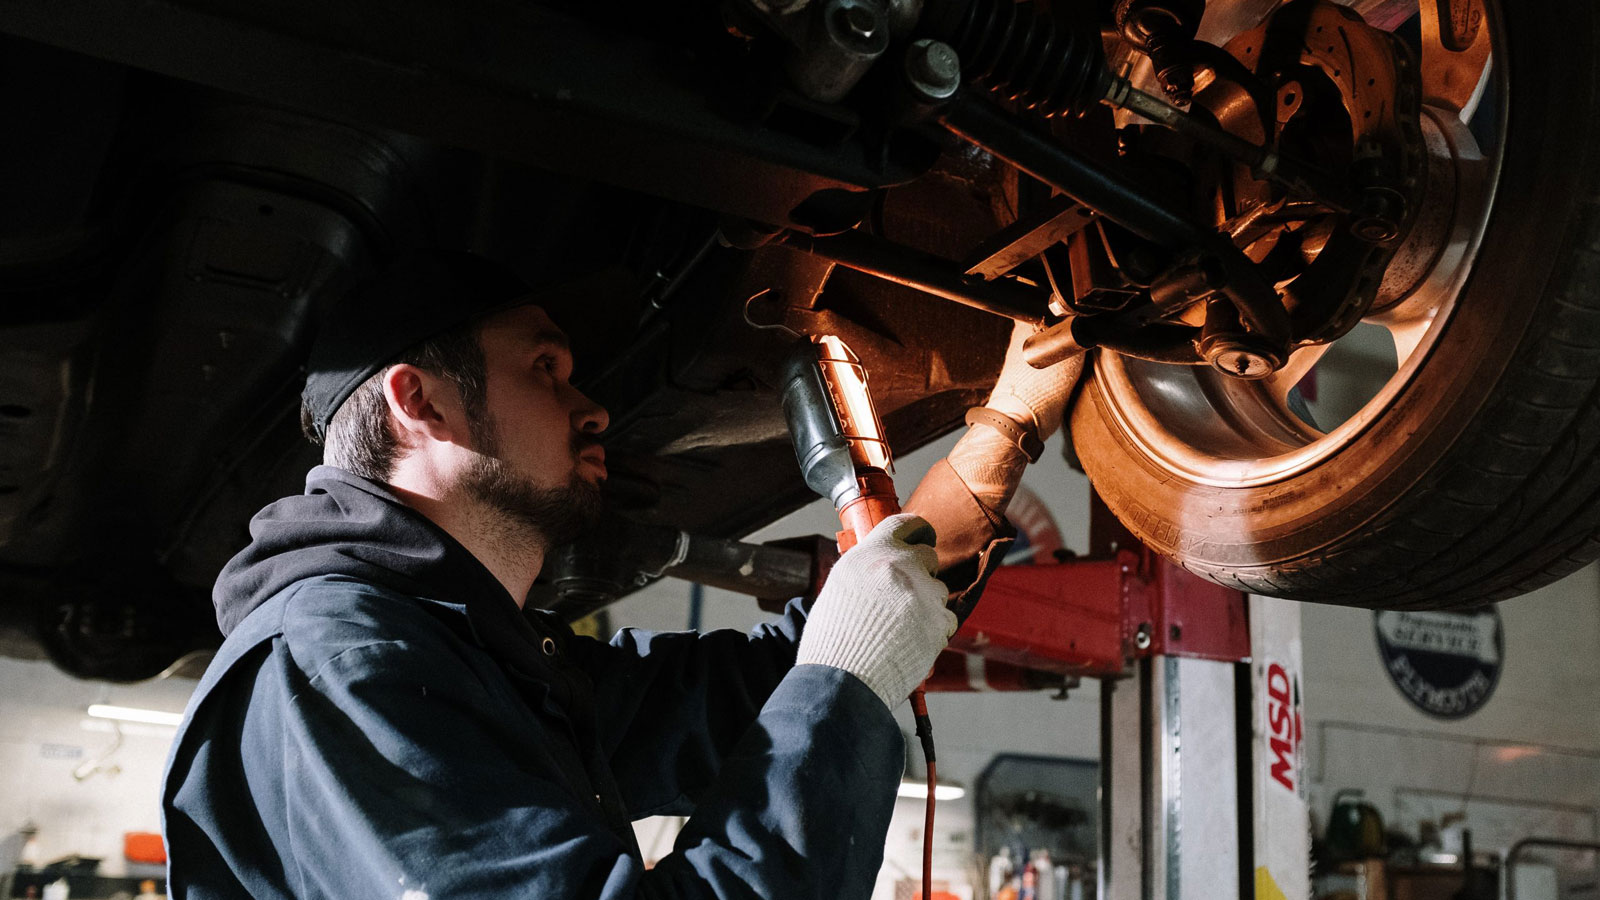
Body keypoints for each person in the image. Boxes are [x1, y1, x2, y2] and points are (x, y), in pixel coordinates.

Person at [160, 251, 1079, 900]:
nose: (594, 408)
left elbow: (772, 688)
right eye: (546, 369)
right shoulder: (334, 667)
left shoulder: (484, 664)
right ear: (419, 401)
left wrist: (1005, 431)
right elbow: (832, 680)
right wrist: (849, 679)